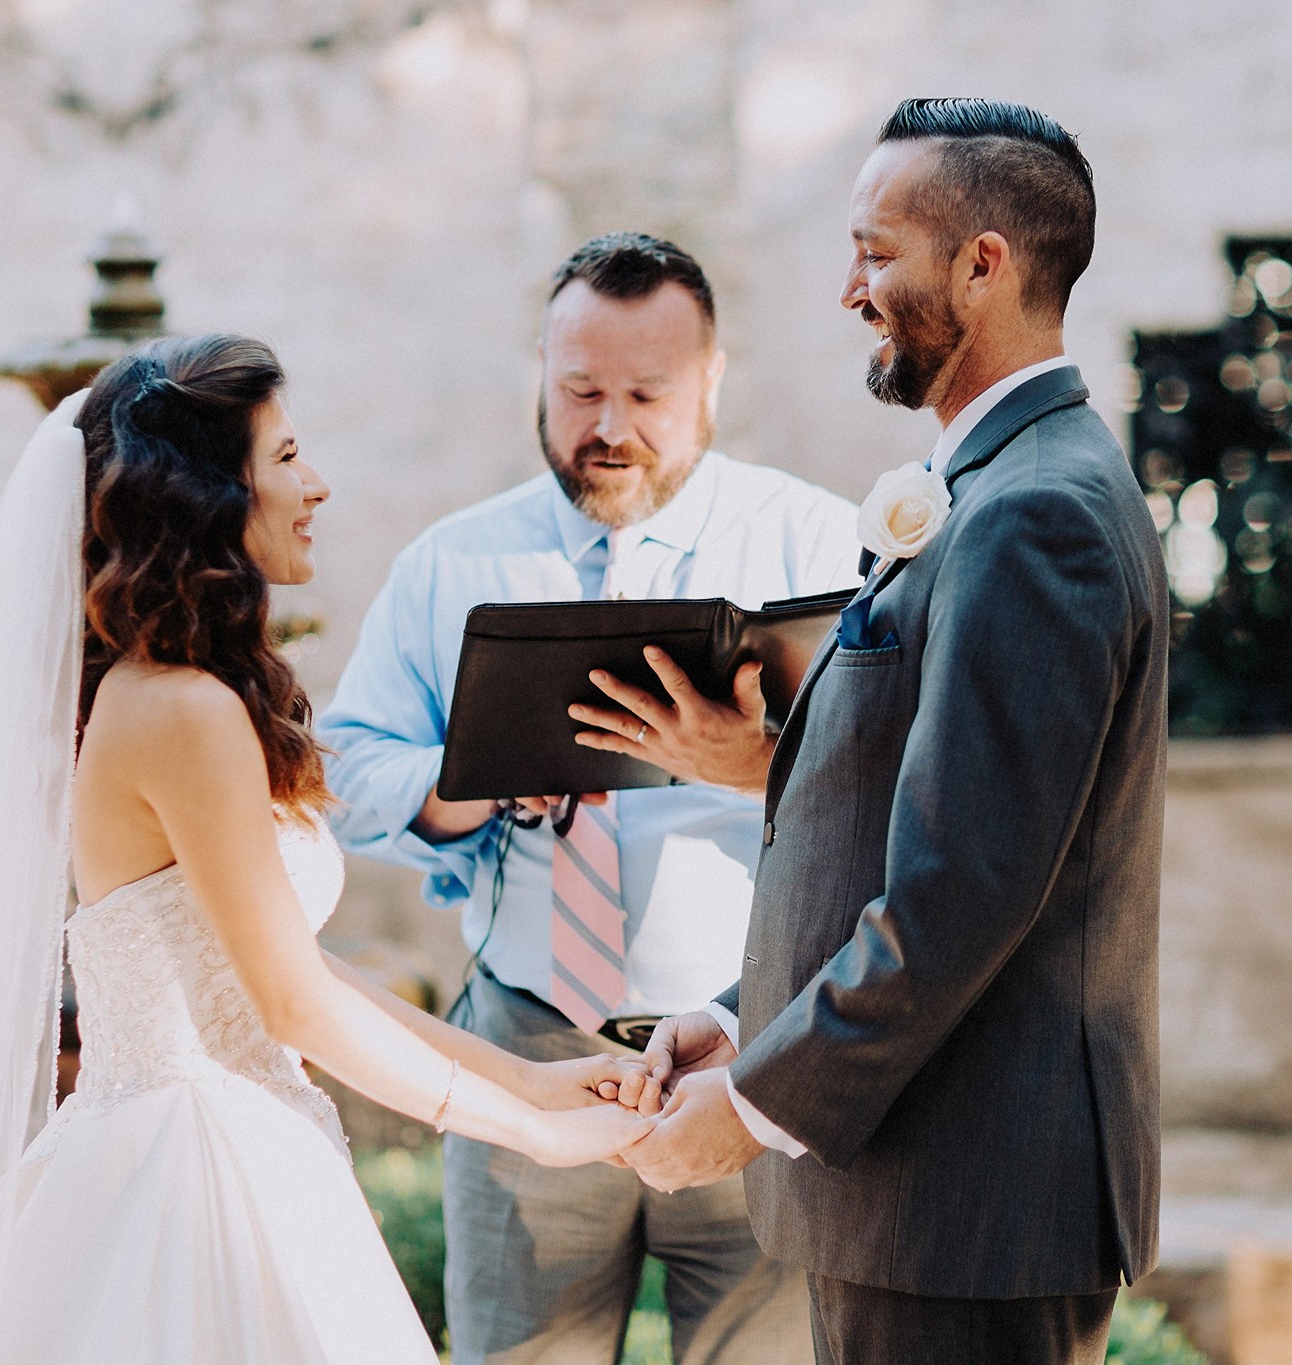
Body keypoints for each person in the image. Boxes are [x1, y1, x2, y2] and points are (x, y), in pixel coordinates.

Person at [0, 334, 654, 1365]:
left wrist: (531, 1081)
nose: (316, 484)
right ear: (201, 497)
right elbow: (292, 1007)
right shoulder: (179, 709)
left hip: (237, 1148)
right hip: (187, 1182)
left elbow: (288, 970)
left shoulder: (171, 695)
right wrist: (532, 1136)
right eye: (284, 458)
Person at [619, 99, 1170, 1365]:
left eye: (876, 252)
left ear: (982, 264)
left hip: (967, 1206)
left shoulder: (1039, 517)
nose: (848, 289)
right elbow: (877, 822)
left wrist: (755, 1104)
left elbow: (959, 891)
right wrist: (743, 1015)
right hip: (921, 1199)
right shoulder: (996, 490)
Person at [322, 233, 859, 1364]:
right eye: (578, 391)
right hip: (524, 1049)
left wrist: (750, 760)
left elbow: (896, 779)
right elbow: (346, 761)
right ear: (541, 377)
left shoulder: (813, 540)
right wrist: (466, 784)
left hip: (752, 1047)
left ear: (710, 382)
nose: (607, 425)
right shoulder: (448, 563)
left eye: (645, 394)